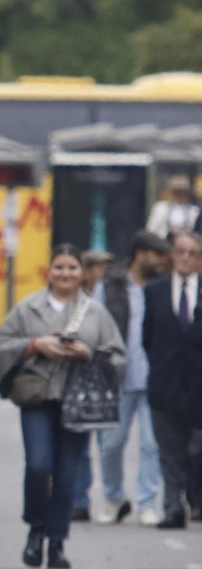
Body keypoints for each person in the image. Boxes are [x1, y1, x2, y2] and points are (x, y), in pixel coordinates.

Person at [0, 245, 126, 569]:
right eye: (59, 267)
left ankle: (57, 542)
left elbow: (119, 357)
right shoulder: (28, 308)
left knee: (67, 474)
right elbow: (1, 345)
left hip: (79, 401)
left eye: (72, 268)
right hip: (38, 397)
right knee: (39, 465)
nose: (65, 274)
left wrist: (88, 353)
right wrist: (35, 345)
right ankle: (36, 529)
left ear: (82, 273)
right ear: (48, 271)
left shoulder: (95, 312)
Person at [92, 233, 170, 526]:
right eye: (157, 256)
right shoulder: (109, 285)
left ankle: (147, 502)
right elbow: (96, 325)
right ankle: (113, 498)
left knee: (152, 445)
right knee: (111, 443)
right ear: (140, 254)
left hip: (155, 378)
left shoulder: (162, 286)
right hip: (118, 379)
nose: (162, 262)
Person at [143, 230, 202, 529]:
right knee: (169, 451)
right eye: (180, 251)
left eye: (192, 252)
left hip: (199, 389)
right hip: (165, 385)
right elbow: (147, 336)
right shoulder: (154, 291)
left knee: (196, 448)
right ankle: (172, 506)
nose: (185, 257)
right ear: (172, 254)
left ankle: (196, 496)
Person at [67, 248, 115, 521]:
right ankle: (79, 499)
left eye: (105, 267)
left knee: (108, 441)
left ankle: (112, 497)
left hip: (104, 370)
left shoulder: (113, 291)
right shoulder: (76, 297)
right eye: (97, 267)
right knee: (80, 440)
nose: (102, 272)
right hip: (79, 372)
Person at [146, 175, 199, 239]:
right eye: (177, 192)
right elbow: (151, 230)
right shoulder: (160, 208)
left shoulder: (194, 211)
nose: (180, 195)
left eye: (183, 192)